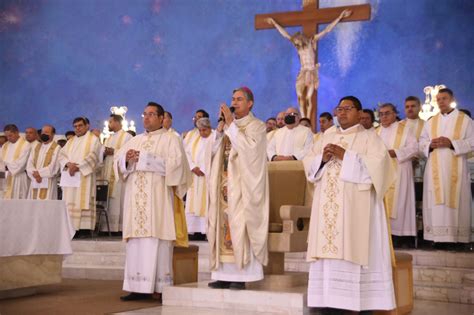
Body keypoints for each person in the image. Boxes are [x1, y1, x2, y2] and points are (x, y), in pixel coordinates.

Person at [303, 96, 396, 312]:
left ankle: (359, 303)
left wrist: (347, 157)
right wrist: (323, 160)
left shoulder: (370, 138)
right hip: (327, 206)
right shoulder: (326, 135)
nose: (342, 112)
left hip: (356, 210)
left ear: (359, 113)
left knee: (353, 246)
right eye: (339, 109)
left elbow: (380, 169)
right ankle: (327, 300)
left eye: (348, 108)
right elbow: (309, 162)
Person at [115, 102, 190, 301]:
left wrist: (144, 158)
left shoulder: (171, 139)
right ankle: (137, 287)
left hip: (157, 200)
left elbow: (177, 167)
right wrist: (127, 160)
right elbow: (118, 163)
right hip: (136, 200)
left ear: (160, 117)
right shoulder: (135, 140)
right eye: (144, 114)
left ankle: (160, 288)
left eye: (150, 114)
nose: (146, 118)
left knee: (158, 240)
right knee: (137, 243)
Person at [207, 87, 268, 290]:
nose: (234, 102)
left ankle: (243, 275)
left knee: (240, 225)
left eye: (239, 99)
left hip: (243, 188)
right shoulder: (226, 127)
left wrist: (231, 126)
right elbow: (212, 153)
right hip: (223, 186)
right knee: (223, 227)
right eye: (233, 99)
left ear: (250, 103)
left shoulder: (257, 126)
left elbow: (250, 153)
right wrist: (219, 130)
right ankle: (223, 274)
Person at [266, 10, 351, 118]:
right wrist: (274, 23)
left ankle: (308, 118)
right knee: (300, 96)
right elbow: (286, 35)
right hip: (303, 71)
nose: (295, 44)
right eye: (295, 43)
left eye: (296, 42)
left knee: (308, 97)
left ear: (300, 39)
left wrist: (340, 17)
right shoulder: (298, 46)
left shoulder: (312, 41)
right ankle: (303, 117)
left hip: (311, 71)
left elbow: (327, 30)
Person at [419, 88, 473, 246]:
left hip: (456, 167)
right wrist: (429, 144)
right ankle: (437, 238)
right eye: (438, 99)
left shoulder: (465, 120)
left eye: (444, 98)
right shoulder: (431, 121)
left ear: (451, 99)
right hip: (434, 169)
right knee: (436, 202)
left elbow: (472, 141)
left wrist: (452, 144)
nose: (441, 101)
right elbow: (421, 142)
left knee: (456, 199)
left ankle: (458, 239)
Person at [377, 103, 418, 240]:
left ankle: (401, 237)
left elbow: (414, 148)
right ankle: (383, 237)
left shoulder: (405, 129)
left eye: (387, 113)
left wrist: (397, 152)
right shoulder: (375, 132)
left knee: (400, 202)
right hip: (380, 174)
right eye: (381, 114)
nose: (384, 116)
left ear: (394, 114)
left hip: (400, 171)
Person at [59, 117, 101, 231]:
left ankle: (83, 229)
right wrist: (68, 164)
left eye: (80, 125)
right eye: (75, 126)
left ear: (87, 126)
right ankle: (70, 228)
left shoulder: (93, 140)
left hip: (83, 176)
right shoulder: (71, 141)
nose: (77, 128)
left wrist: (77, 167)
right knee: (70, 200)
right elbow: (61, 155)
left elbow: (93, 156)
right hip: (71, 177)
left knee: (81, 200)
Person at [184, 117, 222, 237]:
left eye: (204, 130)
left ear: (210, 128)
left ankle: (206, 231)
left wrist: (204, 170)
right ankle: (192, 230)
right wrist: (193, 167)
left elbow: (217, 154)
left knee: (207, 202)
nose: (202, 133)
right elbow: (187, 153)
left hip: (208, 176)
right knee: (193, 202)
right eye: (200, 130)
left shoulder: (215, 137)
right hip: (195, 176)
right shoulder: (195, 139)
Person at [99, 114, 132, 232]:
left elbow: (129, 154)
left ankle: (118, 228)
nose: (109, 124)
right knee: (107, 199)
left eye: (111, 122)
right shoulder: (108, 138)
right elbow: (101, 154)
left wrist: (114, 151)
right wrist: (103, 153)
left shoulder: (127, 137)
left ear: (118, 122)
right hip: (107, 172)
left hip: (119, 174)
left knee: (118, 200)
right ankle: (105, 228)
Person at [27, 125, 61, 200]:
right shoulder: (36, 147)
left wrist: (39, 174)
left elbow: (54, 166)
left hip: (48, 181)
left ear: (53, 134)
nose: (43, 134)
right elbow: (29, 163)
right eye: (42, 132)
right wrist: (35, 175)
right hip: (35, 181)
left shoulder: (56, 148)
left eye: (46, 132)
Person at [1, 124, 32, 199]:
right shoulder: (5, 145)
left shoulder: (25, 145)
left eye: (10, 135)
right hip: (4, 177)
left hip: (19, 178)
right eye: (7, 136)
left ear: (17, 132)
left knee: (17, 200)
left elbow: (21, 164)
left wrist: (5, 165)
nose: (8, 138)